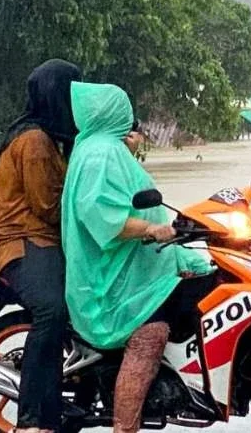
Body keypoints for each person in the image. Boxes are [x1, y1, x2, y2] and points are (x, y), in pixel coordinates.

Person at [60, 82, 213, 433]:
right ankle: (124, 427)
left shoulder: (102, 147)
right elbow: (101, 215)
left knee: (203, 277)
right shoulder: (100, 153)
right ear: (113, 113)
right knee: (151, 334)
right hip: (111, 286)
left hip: (133, 269)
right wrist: (151, 228)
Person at [0, 59, 83, 433]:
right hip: (15, 240)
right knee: (51, 311)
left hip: (37, 235)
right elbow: (49, 207)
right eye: (73, 93)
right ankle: (31, 419)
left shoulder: (49, 137)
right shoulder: (35, 142)